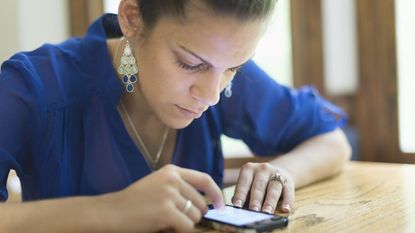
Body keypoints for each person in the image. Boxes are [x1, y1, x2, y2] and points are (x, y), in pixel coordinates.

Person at [0, 0, 351, 232]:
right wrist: (114, 210)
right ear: (132, 18)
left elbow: (331, 141)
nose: (212, 94)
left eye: (235, 68)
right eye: (190, 63)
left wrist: (282, 173)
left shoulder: (218, 72)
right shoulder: (33, 85)